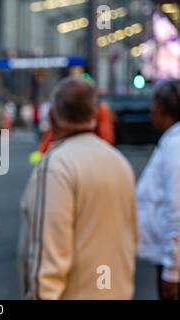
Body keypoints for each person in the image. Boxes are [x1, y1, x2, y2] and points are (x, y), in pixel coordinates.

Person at [18, 77, 138, 300]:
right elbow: (131, 239)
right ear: (94, 115)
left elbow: (48, 256)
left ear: (53, 116)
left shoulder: (56, 165)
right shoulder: (119, 162)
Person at [137, 80, 180, 300]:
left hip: (172, 263)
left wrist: (173, 270)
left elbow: (177, 212)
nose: (150, 111)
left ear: (162, 108)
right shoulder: (171, 140)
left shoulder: (175, 145)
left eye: (152, 104)